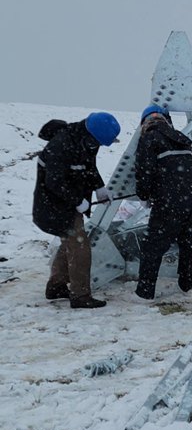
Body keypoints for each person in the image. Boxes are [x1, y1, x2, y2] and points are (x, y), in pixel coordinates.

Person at [32, 112, 121, 309]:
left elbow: (89, 167)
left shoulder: (85, 141)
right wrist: (77, 201)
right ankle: (80, 295)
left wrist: (100, 188)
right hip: (54, 205)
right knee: (80, 247)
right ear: (92, 135)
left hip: (66, 203)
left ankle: (56, 286)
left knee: (69, 242)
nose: (98, 146)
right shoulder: (61, 145)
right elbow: (54, 181)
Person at [134, 105, 192, 299]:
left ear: (145, 122)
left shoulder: (149, 139)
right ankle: (187, 285)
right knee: (189, 243)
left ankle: (145, 292)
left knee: (152, 246)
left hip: (170, 200)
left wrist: (144, 195)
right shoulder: (181, 138)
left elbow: (144, 171)